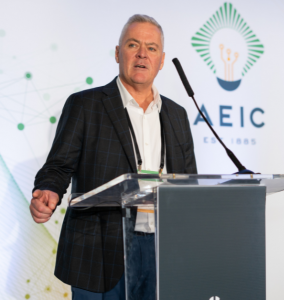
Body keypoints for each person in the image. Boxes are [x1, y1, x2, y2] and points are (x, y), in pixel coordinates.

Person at [30, 14, 197, 300]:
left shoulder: (178, 115)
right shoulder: (86, 104)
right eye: (133, 44)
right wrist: (48, 190)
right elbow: (58, 166)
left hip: (162, 248)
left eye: (152, 48)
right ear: (118, 53)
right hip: (98, 246)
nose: (143, 53)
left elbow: (189, 183)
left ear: (161, 59)